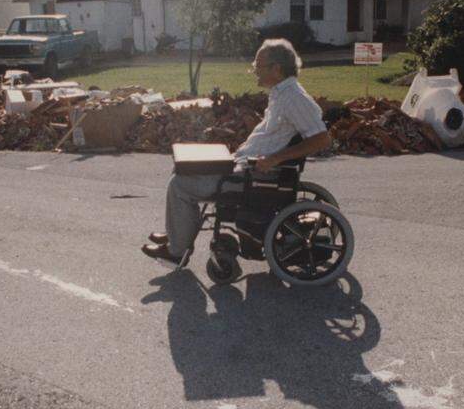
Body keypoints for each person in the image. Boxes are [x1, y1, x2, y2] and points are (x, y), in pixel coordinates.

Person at [142, 38, 332, 264]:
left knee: (180, 184)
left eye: (258, 66)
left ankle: (176, 251)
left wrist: (274, 159)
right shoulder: (282, 93)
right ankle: (179, 234)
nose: (254, 71)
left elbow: (321, 139)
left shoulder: (294, 99)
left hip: (254, 176)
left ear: (276, 69)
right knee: (183, 169)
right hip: (245, 167)